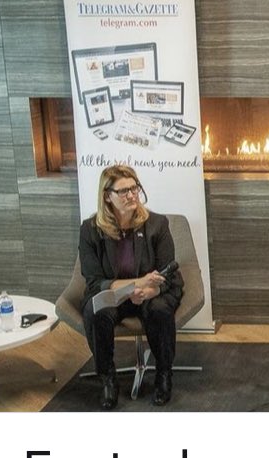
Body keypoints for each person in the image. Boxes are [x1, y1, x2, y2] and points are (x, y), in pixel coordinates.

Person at [79, 165, 184, 410]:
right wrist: (136, 284)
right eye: (123, 191)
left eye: (134, 188)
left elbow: (168, 272)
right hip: (113, 295)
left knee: (159, 309)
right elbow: (94, 281)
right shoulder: (90, 230)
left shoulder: (157, 224)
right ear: (107, 196)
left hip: (150, 293)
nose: (131, 195)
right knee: (96, 312)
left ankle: (164, 374)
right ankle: (108, 378)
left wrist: (149, 289)